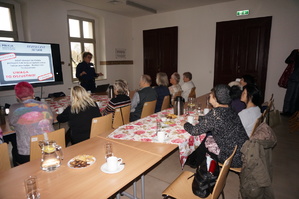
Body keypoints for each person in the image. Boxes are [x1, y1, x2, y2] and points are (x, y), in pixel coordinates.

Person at [183, 84, 249, 168]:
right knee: (206, 137)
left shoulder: (215, 113)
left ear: (216, 98)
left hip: (232, 158)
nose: (209, 95)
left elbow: (194, 131)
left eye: (211, 94)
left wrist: (185, 124)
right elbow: (214, 121)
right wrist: (200, 118)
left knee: (203, 138)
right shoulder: (230, 109)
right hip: (243, 153)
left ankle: (195, 162)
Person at [8, 82, 54, 164]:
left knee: (14, 147)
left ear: (17, 97)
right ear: (33, 94)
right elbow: (51, 120)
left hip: (28, 154)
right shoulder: (45, 105)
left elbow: (11, 125)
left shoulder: (13, 108)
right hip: (49, 147)